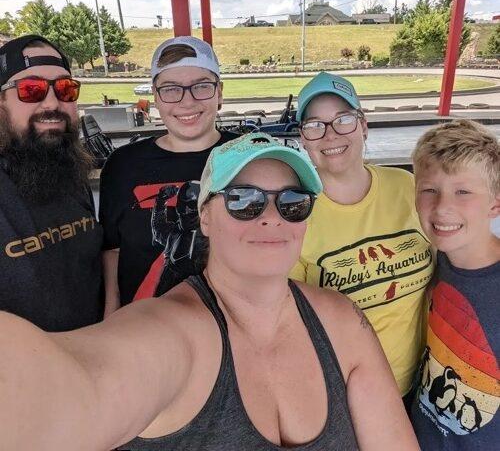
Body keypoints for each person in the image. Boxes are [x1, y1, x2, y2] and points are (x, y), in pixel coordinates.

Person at [0, 133, 419, 451]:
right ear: (205, 216)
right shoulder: (172, 332)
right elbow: (69, 388)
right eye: (243, 200)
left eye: (292, 201)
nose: (271, 217)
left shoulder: (340, 319)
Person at [290, 71, 434, 406]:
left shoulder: (406, 186)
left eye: (343, 119)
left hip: (423, 384)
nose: (330, 134)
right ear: (303, 139)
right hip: (344, 396)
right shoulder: (294, 213)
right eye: (315, 125)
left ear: (364, 125)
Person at [99, 36, 236, 310]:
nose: (187, 102)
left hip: (230, 328)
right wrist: (111, 320)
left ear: (220, 92)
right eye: (171, 89)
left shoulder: (249, 156)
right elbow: (113, 252)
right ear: (155, 97)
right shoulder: (122, 165)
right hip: (145, 329)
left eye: (202, 86)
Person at [0, 35, 103, 331]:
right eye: (30, 90)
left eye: (65, 89)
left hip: (95, 362)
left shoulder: (69, 171)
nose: (52, 103)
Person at [409, 120, 499, 449]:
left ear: (495, 204)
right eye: (430, 190)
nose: (443, 206)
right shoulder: (435, 260)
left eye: (463, 192)